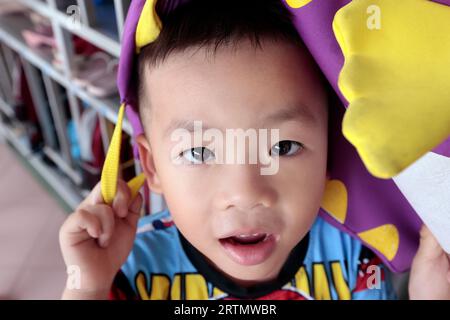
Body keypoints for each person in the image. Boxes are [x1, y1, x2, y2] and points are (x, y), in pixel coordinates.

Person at [59, 0, 450, 300]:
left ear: (331, 149)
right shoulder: (127, 268)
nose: (245, 192)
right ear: (152, 164)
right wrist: (86, 287)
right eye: (198, 152)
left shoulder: (355, 259)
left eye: (282, 146)